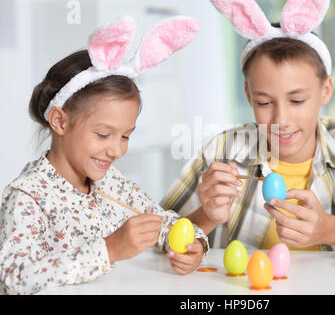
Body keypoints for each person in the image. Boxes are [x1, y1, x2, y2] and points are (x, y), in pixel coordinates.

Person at [160, 0, 335, 251]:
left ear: (325, 90)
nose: (281, 121)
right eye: (264, 103)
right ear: (249, 95)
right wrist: (207, 216)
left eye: (297, 100)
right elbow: (160, 233)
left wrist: (329, 229)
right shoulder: (222, 152)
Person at [0, 16, 208, 295]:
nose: (117, 150)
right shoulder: (28, 196)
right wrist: (109, 249)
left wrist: (193, 245)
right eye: (102, 135)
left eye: (125, 135)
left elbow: (162, 222)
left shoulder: (113, 184)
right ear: (60, 122)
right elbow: (13, 278)